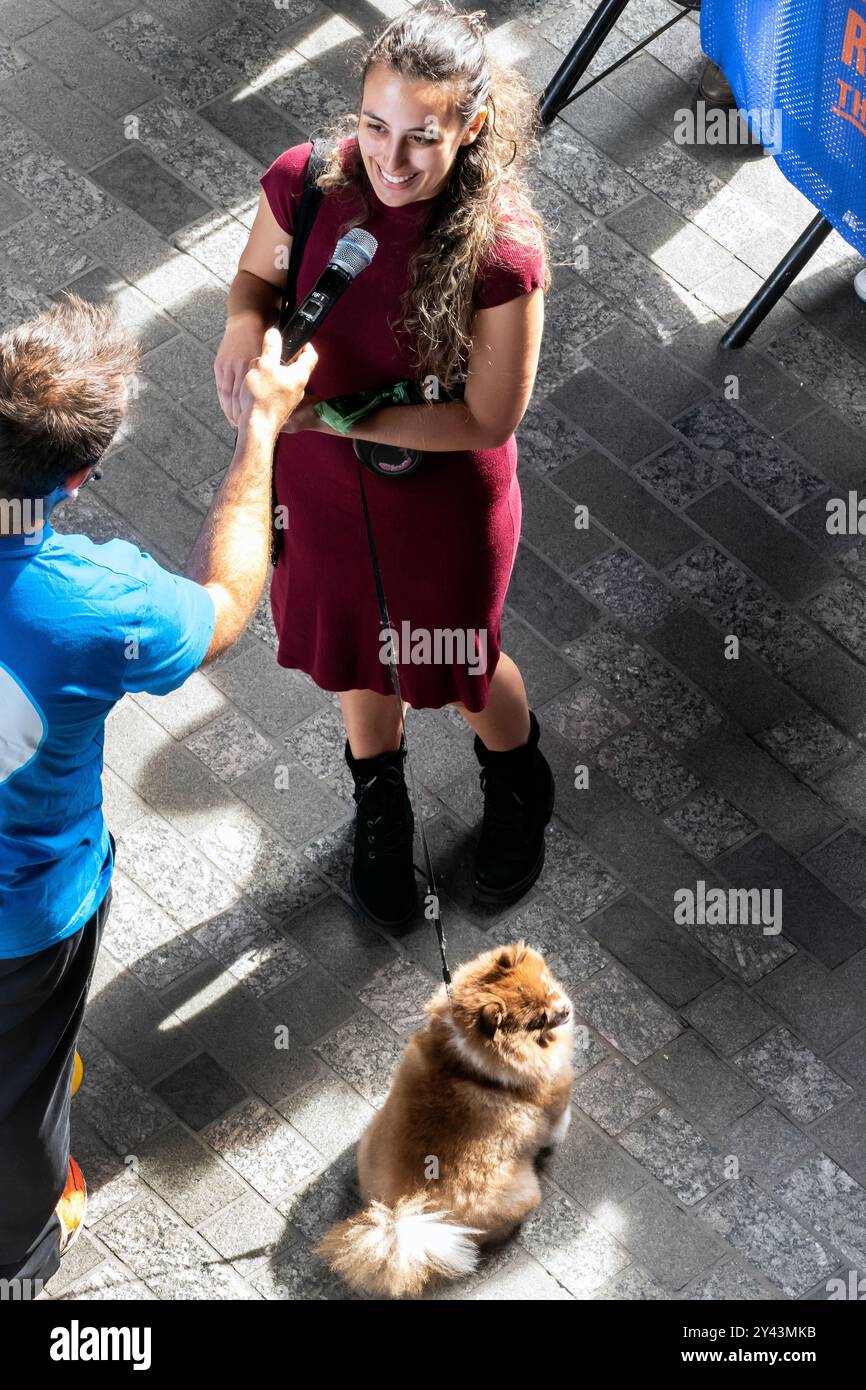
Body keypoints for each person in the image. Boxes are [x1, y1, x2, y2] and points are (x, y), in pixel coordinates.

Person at [0, 295, 316, 1294]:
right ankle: (18, 1249)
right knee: (21, 1094)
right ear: (82, 474)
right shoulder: (101, 606)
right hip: (24, 918)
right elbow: (226, 603)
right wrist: (262, 424)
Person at [215, 1, 555, 931]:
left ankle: (517, 778)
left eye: (422, 138)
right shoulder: (308, 184)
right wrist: (244, 326)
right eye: (373, 127)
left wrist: (322, 415)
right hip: (321, 485)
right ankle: (380, 802)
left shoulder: (502, 251)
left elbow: (489, 417)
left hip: (439, 497)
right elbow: (255, 279)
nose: (390, 161)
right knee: (357, 652)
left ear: (472, 128)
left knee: (459, 661)